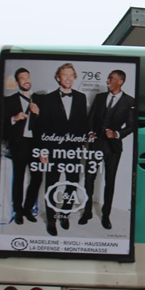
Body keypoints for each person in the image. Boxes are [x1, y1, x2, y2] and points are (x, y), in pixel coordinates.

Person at [35, 63, 89, 236]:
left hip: (73, 150)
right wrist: (43, 151)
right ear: (58, 77)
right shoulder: (48, 99)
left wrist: (82, 143)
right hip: (52, 150)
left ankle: (64, 214)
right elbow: (41, 126)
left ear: (74, 77)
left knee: (72, 183)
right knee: (51, 185)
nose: (68, 79)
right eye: (64, 75)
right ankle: (51, 220)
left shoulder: (81, 97)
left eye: (71, 75)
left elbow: (83, 123)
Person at [80, 70, 135, 230]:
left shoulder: (129, 101)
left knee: (109, 181)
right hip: (96, 144)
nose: (107, 81)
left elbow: (131, 126)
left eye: (111, 79)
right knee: (89, 179)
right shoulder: (99, 98)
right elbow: (91, 119)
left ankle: (106, 216)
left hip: (113, 147)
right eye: (108, 78)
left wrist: (117, 134)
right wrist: (90, 132)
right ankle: (87, 211)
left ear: (120, 81)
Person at [3, 68, 41, 225]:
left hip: (36, 144)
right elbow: (3, 127)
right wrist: (14, 118)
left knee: (37, 177)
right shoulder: (9, 101)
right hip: (20, 143)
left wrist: (39, 113)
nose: (26, 80)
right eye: (22, 78)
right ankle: (18, 211)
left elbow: (49, 124)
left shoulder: (41, 99)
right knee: (18, 178)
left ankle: (28, 208)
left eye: (28, 77)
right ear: (17, 82)